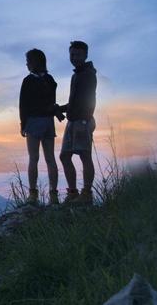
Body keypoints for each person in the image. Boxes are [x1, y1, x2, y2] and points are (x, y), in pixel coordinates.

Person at [58, 40, 97, 205]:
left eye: (78, 54)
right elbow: (74, 102)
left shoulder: (88, 74)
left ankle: (86, 194)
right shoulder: (77, 74)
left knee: (84, 156)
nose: (74, 57)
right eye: (72, 54)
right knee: (65, 156)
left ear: (85, 55)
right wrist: (61, 108)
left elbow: (87, 101)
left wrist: (83, 120)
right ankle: (73, 192)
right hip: (73, 121)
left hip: (81, 121)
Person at [19, 48, 60, 205]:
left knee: (33, 158)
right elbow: (51, 102)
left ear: (34, 62)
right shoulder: (50, 80)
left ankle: (33, 194)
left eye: (28, 61)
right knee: (50, 159)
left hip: (34, 122)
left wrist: (23, 125)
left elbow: (23, 105)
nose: (27, 64)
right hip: (48, 123)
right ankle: (53, 194)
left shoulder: (28, 81)